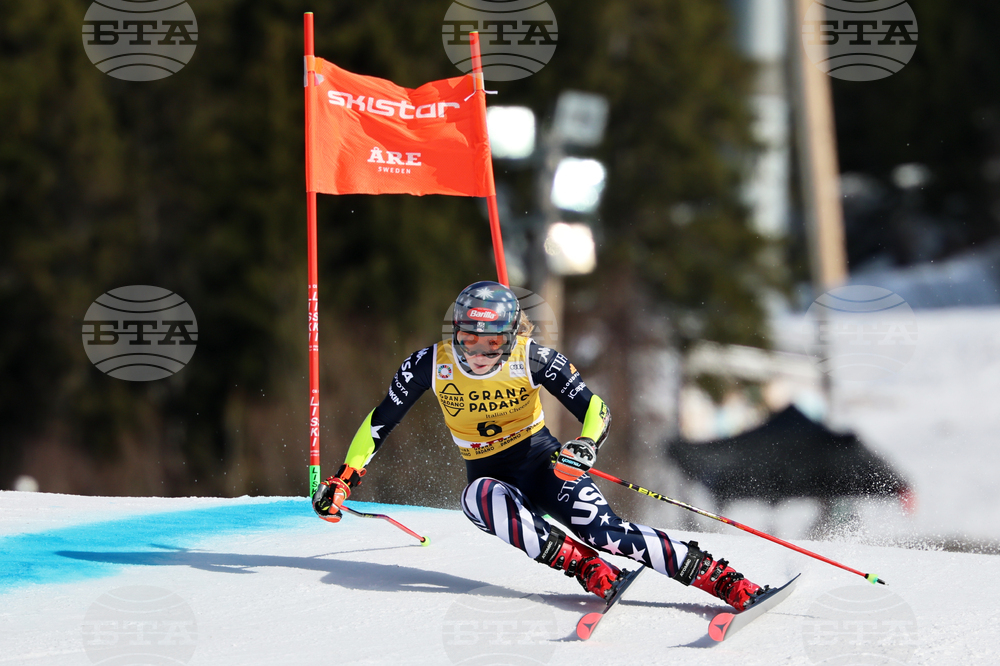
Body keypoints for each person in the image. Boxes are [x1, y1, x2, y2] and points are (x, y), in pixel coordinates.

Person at [312, 281, 766, 609]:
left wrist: (584, 446)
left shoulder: (533, 358)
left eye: (491, 344)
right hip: (489, 475)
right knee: (479, 498)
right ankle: (588, 570)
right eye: (468, 340)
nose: (478, 355)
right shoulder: (430, 364)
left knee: (604, 531)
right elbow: (379, 421)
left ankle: (722, 580)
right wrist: (344, 478)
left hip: (546, 463)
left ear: (510, 337)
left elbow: (596, 408)